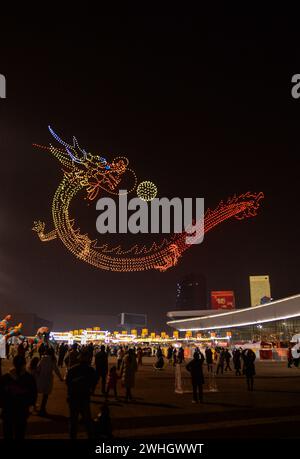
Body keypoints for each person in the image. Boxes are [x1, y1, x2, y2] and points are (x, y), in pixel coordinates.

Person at [0, 355, 37, 439]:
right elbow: (33, 394)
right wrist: (31, 404)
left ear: (13, 363)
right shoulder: (29, 378)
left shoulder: (5, 378)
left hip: (8, 410)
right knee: (20, 433)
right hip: (22, 410)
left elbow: (1, 394)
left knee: (7, 432)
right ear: (24, 364)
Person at [66, 350, 97, 439]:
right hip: (84, 397)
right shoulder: (90, 370)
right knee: (87, 419)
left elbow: (68, 382)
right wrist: (90, 389)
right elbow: (94, 381)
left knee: (73, 420)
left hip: (73, 397)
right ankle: (90, 435)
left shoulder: (72, 369)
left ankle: (72, 436)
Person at [36, 347, 63, 416]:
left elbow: (38, 368)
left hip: (41, 377)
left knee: (37, 392)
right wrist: (60, 378)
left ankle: (34, 407)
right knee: (45, 395)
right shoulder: (52, 359)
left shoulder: (43, 358)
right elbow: (56, 370)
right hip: (48, 378)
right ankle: (42, 408)